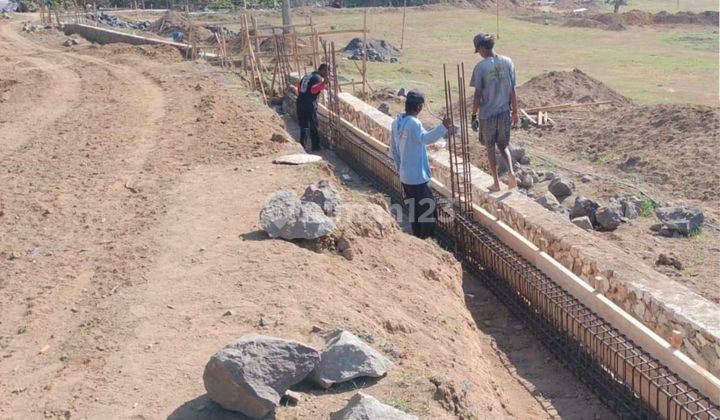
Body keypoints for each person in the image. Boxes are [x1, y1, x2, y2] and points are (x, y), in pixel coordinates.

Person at [390, 90, 452, 239]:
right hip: (417, 177)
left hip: (405, 176)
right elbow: (426, 139)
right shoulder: (414, 123)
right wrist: (443, 127)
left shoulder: (396, 122)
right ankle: (427, 240)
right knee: (428, 210)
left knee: (415, 209)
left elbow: (394, 149)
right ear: (419, 107)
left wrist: (400, 170)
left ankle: (417, 237)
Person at [469, 33, 519, 192]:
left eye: (479, 50)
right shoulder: (508, 62)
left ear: (482, 48)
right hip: (504, 112)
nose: (479, 54)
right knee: (503, 146)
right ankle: (511, 173)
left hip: (488, 115)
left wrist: (473, 115)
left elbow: (477, 94)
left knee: (490, 147)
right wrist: (515, 112)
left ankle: (496, 183)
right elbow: (512, 90)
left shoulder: (481, 67)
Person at [295, 64, 329, 151]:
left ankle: (302, 146)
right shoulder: (318, 78)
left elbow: (299, 87)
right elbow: (313, 90)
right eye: (327, 72)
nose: (328, 75)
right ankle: (316, 146)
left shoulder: (307, 75)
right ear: (323, 70)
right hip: (309, 104)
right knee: (313, 124)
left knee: (304, 125)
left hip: (300, 101)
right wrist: (324, 83)